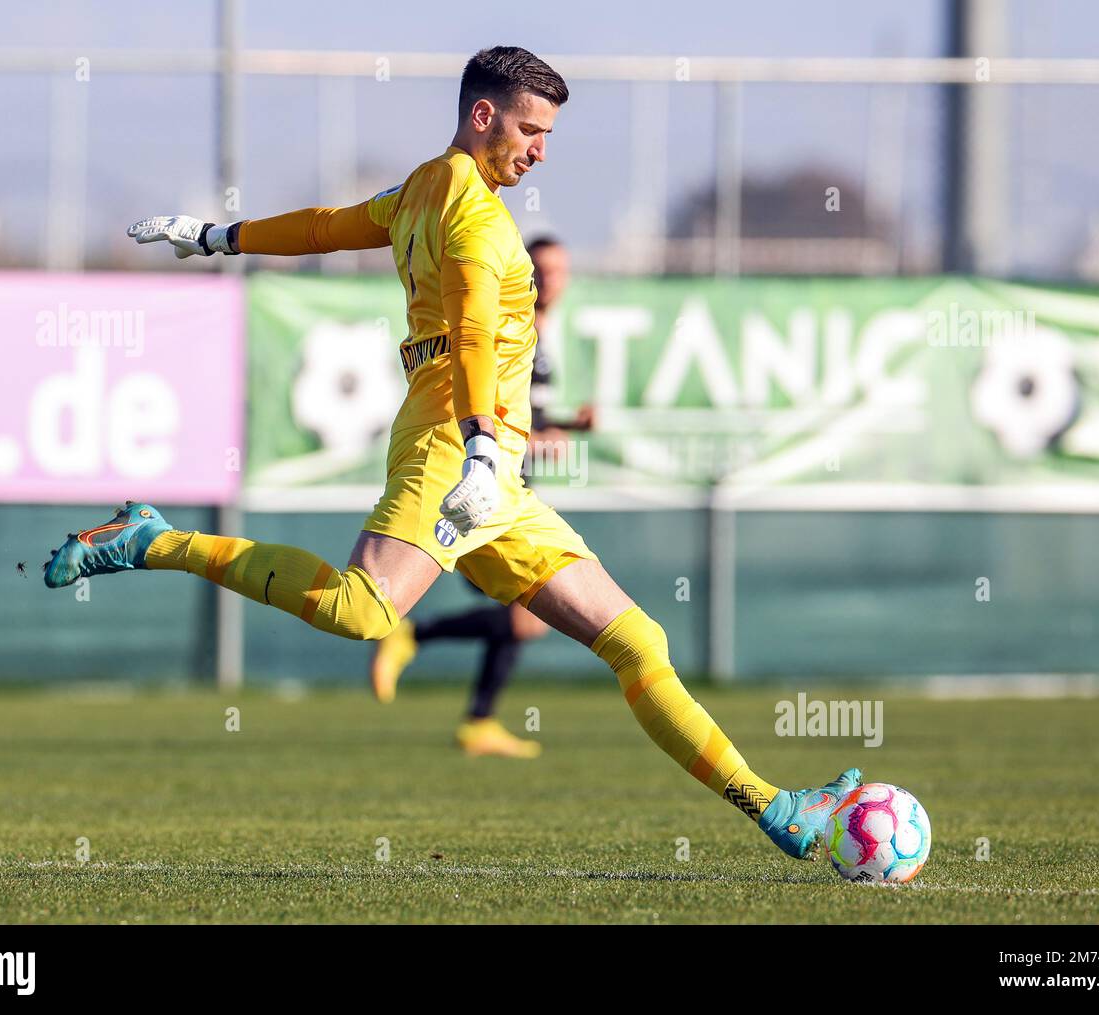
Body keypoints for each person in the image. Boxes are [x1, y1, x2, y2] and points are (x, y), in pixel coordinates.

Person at [44, 46, 859, 861]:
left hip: (489, 465)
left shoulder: (423, 187)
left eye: (547, 134)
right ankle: (154, 539)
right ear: (483, 115)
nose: (540, 150)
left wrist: (220, 235)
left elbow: (329, 227)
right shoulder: (473, 215)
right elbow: (470, 332)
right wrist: (476, 447)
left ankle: (775, 808)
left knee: (638, 643)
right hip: (455, 444)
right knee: (361, 611)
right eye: (531, 130)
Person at [369, 236, 591, 759]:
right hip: (473, 489)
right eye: (544, 270)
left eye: (562, 271)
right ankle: (416, 642)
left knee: (527, 617)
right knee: (527, 616)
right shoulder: (500, 326)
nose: (553, 281)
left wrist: (566, 425)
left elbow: (518, 414)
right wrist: (540, 441)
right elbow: (474, 406)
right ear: (523, 273)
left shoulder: (534, 336)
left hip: (509, 490)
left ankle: (477, 718)